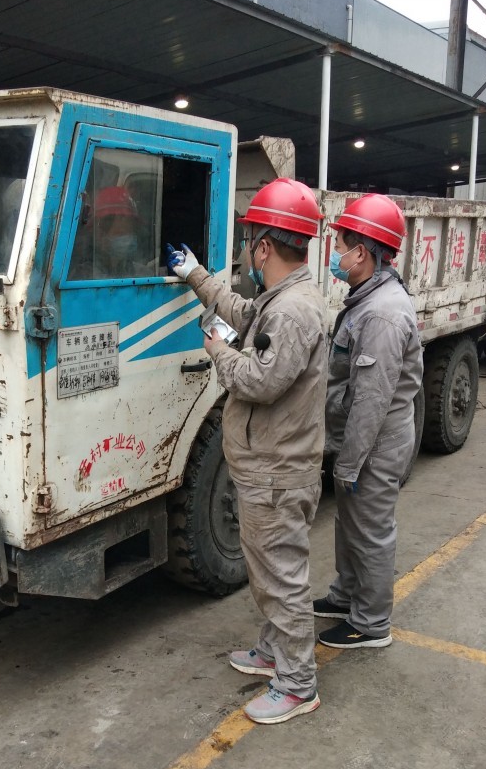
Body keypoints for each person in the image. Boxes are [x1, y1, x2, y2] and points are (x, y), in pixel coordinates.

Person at [167, 177, 327, 725]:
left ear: (263, 247)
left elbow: (260, 381)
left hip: (278, 473)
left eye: (248, 239)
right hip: (271, 466)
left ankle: (298, 682)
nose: (245, 249)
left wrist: (218, 352)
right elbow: (243, 313)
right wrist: (196, 276)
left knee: (281, 578)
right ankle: (274, 651)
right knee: (269, 571)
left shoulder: (292, 311)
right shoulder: (282, 299)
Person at [314, 194, 423, 649]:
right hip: (361, 438)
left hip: (374, 442)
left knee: (371, 531)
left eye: (340, 245)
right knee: (350, 523)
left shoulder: (381, 313)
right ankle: (346, 596)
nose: (335, 254)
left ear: (361, 252)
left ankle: (371, 622)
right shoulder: (368, 299)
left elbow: (372, 401)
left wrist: (350, 462)